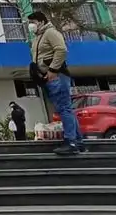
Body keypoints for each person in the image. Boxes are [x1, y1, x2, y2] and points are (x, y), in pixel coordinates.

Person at [27, 11, 84, 156]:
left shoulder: (51, 32)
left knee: (64, 109)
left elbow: (61, 50)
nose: (30, 25)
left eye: (32, 22)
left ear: (40, 21)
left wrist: (53, 70)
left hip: (57, 76)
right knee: (66, 109)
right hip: (48, 77)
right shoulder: (38, 37)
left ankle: (71, 142)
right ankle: (78, 142)